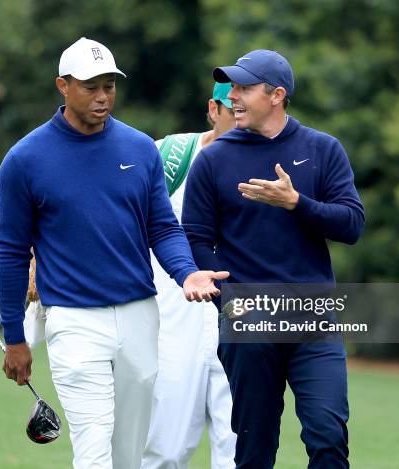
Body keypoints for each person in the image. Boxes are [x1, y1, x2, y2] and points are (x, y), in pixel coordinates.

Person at [0, 37, 228, 469]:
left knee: (129, 451)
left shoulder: (140, 149)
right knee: (94, 443)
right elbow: (9, 253)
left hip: (141, 315)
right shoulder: (24, 160)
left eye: (110, 85)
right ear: (62, 86)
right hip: (74, 320)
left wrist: (187, 273)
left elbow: (162, 227)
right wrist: (15, 337)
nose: (103, 97)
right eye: (91, 86)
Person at [182, 50, 365, 468]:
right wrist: (227, 298)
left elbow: (352, 225)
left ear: (277, 95)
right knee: (254, 450)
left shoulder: (322, 149)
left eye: (245, 88)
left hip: (313, 321)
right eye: (232, 89)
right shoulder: (212, 160)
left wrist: (297, 202)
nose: (234, 98)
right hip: (248, 324)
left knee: (328, 436)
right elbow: (195, 237)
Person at [141, 83, 237, 469]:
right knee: (165, 449)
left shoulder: (272, 164)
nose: (244, 119)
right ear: (213, 109)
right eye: (235, 110)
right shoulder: (168, 154)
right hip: (173, 321)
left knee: (240, 450)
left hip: (241, 318)